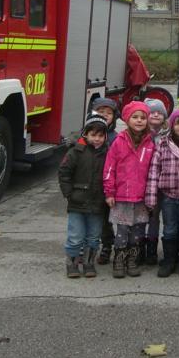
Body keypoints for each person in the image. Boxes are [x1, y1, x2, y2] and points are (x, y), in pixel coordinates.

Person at [145, 109, 179, 279]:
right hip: (168, 196)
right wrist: (152, 197)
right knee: (169, 229)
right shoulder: (162, 144)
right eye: (178, 123)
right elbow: (154, 171)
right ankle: (169, 260)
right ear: (172, 124)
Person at [103, 101, 155, 278]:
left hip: (141, 198)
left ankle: (132, 260)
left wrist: (152, 195)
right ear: (127, 119)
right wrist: (109, 192)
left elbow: (153, 171)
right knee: (123, 231)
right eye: (135, 117)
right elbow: (109, 168)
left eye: (143, 117)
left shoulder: (150, 143)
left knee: (138, 232)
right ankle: (119, 260)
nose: (139, 120)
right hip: (122, 197)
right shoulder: (119, 142)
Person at [58, 113, 109, 278]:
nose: (97, 139)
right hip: (77, 202)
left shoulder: (108, 153)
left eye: (101, 135)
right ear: (85, 134)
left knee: (94, 236)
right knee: (75, 236)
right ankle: (72, 264)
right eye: (93, 135)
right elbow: (64, 172)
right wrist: (69, 193)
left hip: (98, 203)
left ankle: (88, 263)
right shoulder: (76, 152)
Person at [90, 97, 120, 266]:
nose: (105, 115)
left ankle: (107, 246)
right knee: (90, 217)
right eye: (101, 112)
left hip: (107, 186)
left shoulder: (115, 138)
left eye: (109, 113)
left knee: (105, 220)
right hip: (89, 185)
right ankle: (88, 247)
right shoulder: (86, 135)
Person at [143, 97, 170, 265]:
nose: (156, 115)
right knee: (143, 218)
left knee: (157, 218)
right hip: (144, 182)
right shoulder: (141, 134)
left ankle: (152, 250)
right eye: (152, 112)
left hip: (163, 185)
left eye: (159, 112)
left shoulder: (168, 135)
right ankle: (140, 246)